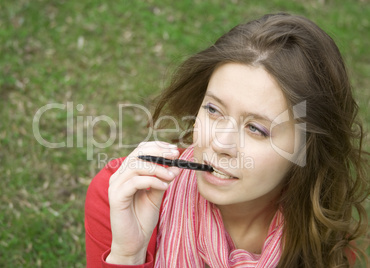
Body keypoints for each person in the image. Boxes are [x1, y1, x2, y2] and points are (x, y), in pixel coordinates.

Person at [85, 13, 369, 267]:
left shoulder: (323, 231)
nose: (220, 144)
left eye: (256, 129)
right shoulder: (123, 198)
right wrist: (127, 256)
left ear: (306, 149)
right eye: (213, 109)